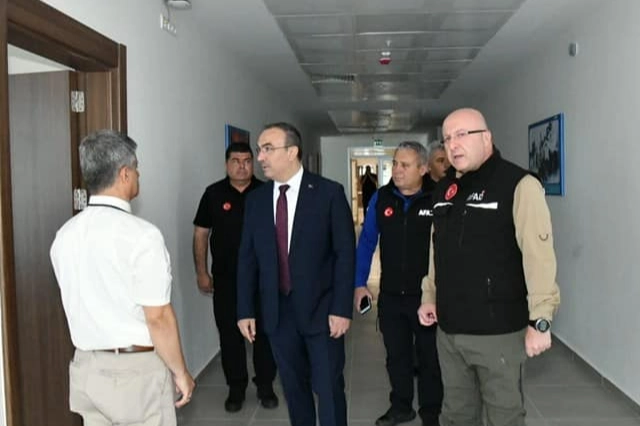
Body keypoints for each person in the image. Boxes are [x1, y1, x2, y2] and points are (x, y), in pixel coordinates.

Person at [418, 108, 561, 426]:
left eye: (461, 135)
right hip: (450, 330)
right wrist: (429, 295)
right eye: (447, 138)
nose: (453, 145)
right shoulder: (444, 190)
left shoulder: (519, 184)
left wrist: (540, 319)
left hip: (498, 332)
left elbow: (539, 257)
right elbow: (436, 249)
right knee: (455, 414)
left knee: (503, 416)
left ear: (486, 138)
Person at [50, 130, 195, 426]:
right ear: (125, 174)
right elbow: (158, 318)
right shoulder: (142, 236)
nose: (139, 174)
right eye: (136, 168)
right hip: (134, 375)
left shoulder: (64, 235)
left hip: (86, 370)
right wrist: (181, 372)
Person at [236, 122, 355, 426]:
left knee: (328, 388)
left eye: (268, 149)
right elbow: (247, 259)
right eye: (259, 149)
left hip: (322, 311)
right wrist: (245, 310)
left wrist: (342, 308)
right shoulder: (256, 200)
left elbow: (345, 255)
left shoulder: (328, 193)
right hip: (278, 314)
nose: (260, 157)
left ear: (292, 152)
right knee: (293, 388)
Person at [354, 142, 442, 426]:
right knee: (396, 356)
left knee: (430, 357)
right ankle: (401, 406)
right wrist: (359, 283)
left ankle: (431, 412)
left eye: (405, 165)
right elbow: (367, 242)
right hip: (391, 295)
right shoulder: (382, 198)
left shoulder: (438, 198)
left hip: (426, 296)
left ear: (423, 169)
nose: (397, 170)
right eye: (395, 163)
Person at [192, 143, 278, 412]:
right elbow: (201, 234)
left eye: (247, 161)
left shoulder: (268, 192)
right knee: (230, 336)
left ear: (254, 163)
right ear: (226, 164)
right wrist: (202, 272)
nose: (242, 166)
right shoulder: (213, 194)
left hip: (263, 281)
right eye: (235, 161)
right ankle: (236, 388)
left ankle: (265, 385)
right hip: (226, 280)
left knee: (265, 334)